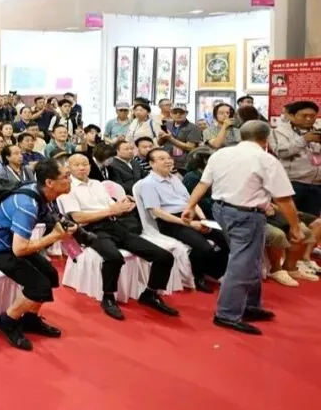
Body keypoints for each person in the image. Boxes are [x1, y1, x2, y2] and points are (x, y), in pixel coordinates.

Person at [179, 121, 301, 335]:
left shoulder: (221, 154)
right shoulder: (265, 159)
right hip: (245, 215)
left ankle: (249, 305)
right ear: (266, 139)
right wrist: (295, 227)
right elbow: (283, 198)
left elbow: (203, 184)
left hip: (222, 210)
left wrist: (190, 206)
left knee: (251, 259)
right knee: (242, 263)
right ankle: (226, 313)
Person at [59, 154, 178, 320]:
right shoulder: (67, 188)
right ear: (69, 168)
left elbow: (112, 207)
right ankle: (108, 297)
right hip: (90, 230)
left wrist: (123, 205)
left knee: (164, 256)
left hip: (114, 225)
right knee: (114, 257)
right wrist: (110, 211)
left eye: (85, 163)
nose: (82, 167)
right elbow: (78, 218)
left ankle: (150, 294)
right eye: (77, 165)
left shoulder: (97, 184)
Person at [0, 159, 74, 351]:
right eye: (66, 176)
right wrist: (55, 236)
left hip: (10, 241)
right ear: (49, 182)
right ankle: (6, 321)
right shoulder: (27, 205)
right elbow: (19, 250)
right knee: (38, 285)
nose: (70, 180)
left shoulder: (41, 193)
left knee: (50, 274)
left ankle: (30, 319)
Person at [138, 148, 229, 292]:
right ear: (151, 163)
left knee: (225, 238)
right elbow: (157, 212)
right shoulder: (147, 184)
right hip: (171, 222)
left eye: (169, 158)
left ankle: (218, 272)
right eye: (162, 159)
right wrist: (190, 224)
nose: (168, 161)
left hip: (189, 215)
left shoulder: (175, 178)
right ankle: (198, 277)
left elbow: (191, 201)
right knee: (204, 247)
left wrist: (203, 219)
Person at [271, 101, 321, 215]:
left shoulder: (317, 131)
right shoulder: (278, 132)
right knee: (288, 218)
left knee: (312, 219)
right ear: (291, 116)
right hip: (293, 183)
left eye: (312, 116)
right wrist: (304, 140)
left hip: (316, 184)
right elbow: (281, 152)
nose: (309, 119)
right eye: (304, 116)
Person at [160, 104, 203, 170]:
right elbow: (160, 143)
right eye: (175, 112)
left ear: (186, 113)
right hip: (166, 160)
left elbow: (190, 147)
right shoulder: (167, 124)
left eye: (181, 112)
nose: (178, 114)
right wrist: (161, 137)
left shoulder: (194, 128)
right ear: (171, 113)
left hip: (183, 164)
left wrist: (171, 138)